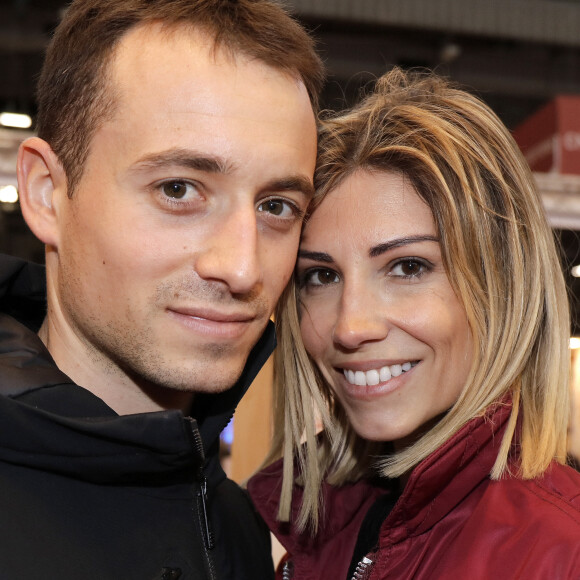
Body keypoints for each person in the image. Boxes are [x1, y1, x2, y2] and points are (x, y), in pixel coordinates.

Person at [2, 0, 323, 578]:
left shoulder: (240, 531)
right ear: (48, 193)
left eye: (277, 206)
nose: (243, 268)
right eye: (179, 189)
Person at [248, 68, 580, 579]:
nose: (350, 326)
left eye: (408, 267)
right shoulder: (325, 522)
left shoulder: (562, 550)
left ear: (501, 288)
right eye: (321, 275)